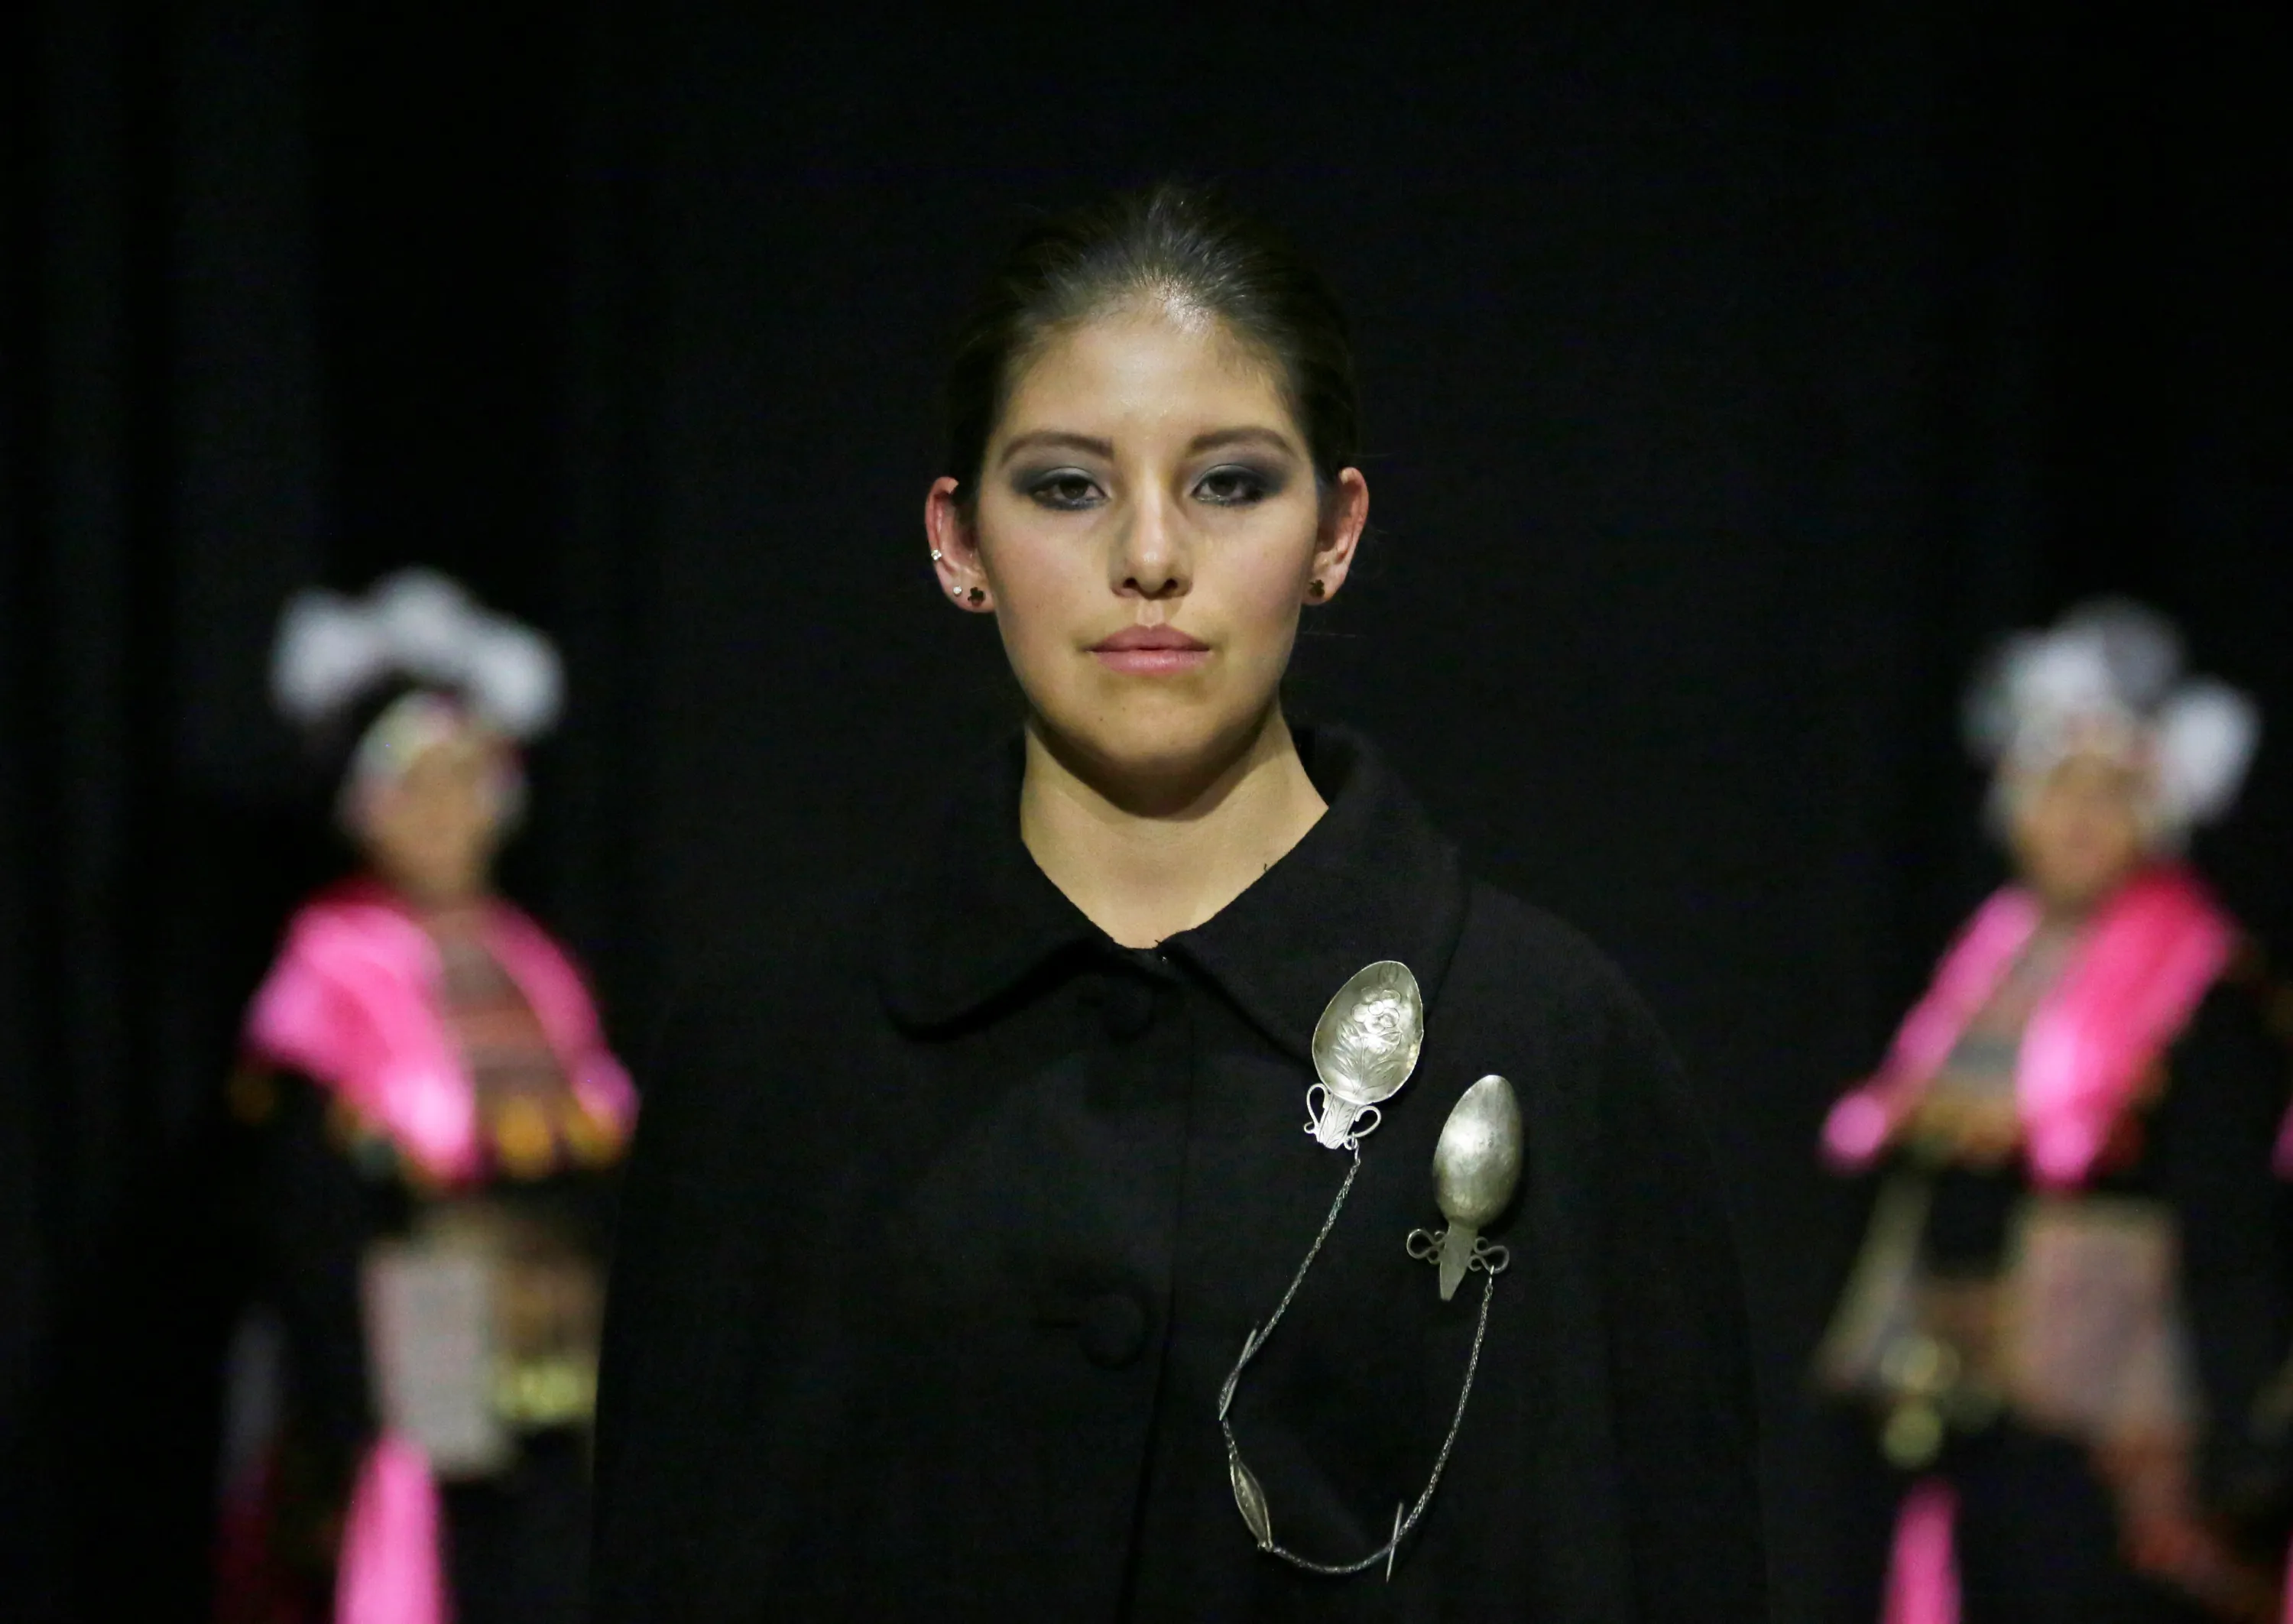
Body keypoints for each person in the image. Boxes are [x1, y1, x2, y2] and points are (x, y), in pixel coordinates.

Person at [589, 182, 1765, 1622]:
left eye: (1229, 484)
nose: (1150, 556)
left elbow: (1656, 1558)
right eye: (1066, 487)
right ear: (958, 541)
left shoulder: (1548, 1041)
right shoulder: (768, 1065)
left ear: (1335, 530)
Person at [1815, 601, 2292, 1623]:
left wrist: (2238, 1437)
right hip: (1973, 1402)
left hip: (2118, 1422)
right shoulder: (1992, 954)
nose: (2078, 817)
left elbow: (2230, 1224)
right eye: (2057, 787)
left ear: (2155, 811)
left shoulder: (2198, 979)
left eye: (2110, 792)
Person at [219, 570, 636, 1624]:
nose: (445, 812)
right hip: (413, 1377)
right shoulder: (332, 969)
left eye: (465, 779)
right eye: (414, 784)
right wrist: (345, 1411)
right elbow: (306, 1212)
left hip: (555, 1371)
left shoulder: (537, 968)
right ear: (366, 806)